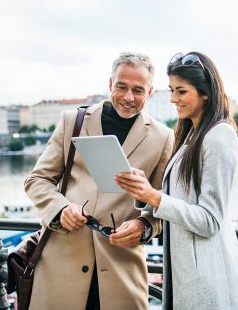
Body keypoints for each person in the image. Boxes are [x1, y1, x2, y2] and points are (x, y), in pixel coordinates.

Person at [24, 52, 174, 310]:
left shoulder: (164, 137)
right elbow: (37, 180)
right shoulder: (72, 121)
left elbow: (163, 205)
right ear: (109, 85)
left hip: (121, 271)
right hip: (61, 267)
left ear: (149, 92)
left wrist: (144, 227)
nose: (128, 97)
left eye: (138, 90)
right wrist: (61, 210)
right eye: (121, 87)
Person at [114, 51, 238, 310]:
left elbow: (209, 221)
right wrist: (144, 194)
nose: (174, 99)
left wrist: (155, 196)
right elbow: (180, 200)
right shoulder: (192, 135)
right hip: (188, 278)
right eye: (172, 90)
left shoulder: (219, 136)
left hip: (208, 282)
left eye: (181, 92)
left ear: (205, 92)